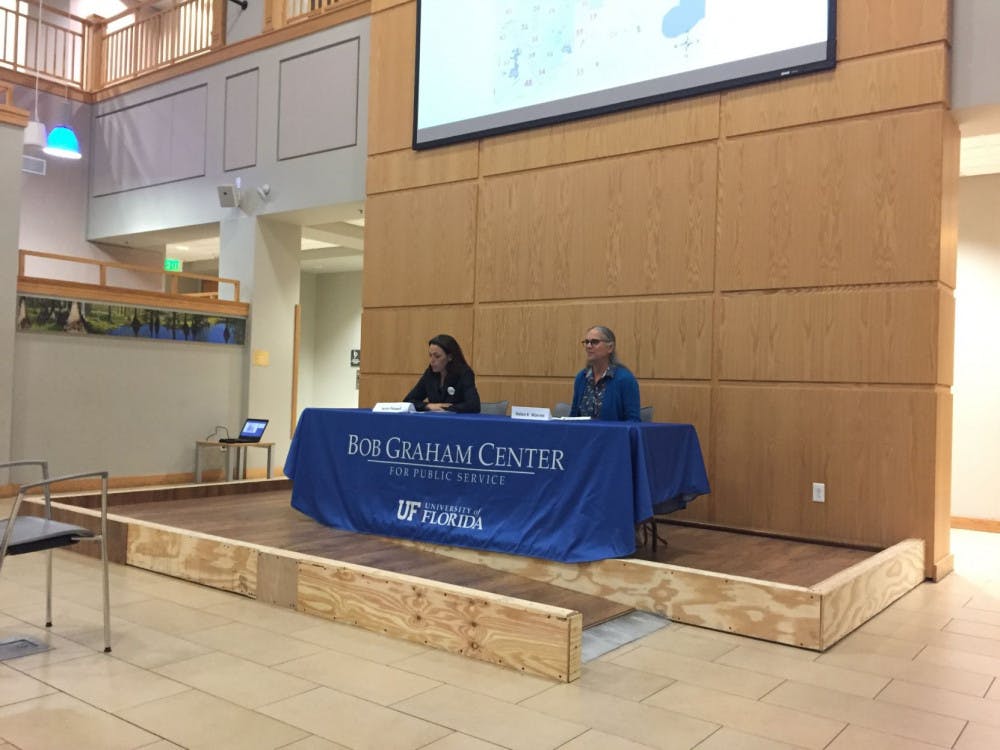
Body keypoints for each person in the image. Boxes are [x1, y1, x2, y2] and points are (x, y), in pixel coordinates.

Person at [570, 325, 641, 421]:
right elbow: (573, 418)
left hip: (613, 435)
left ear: (610, 347)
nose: (588, 346)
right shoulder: (582, 377)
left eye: (594, 342)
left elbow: (633, 421)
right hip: (583, 434)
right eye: (586, 342)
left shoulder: (625, 379)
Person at [404, 334, 481, 413]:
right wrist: (428, 406)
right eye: (430, 355)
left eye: (437, 356)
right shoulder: (430, 374)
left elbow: (474, 405)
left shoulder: (464, 373)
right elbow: (407, 402)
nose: (432, 361)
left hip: (457, 421)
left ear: (450, 357)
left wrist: (446, 408)